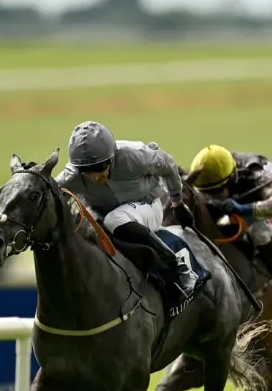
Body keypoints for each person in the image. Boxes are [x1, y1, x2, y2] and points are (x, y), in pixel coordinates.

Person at [56, 121, 197, 296]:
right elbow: (47, 191)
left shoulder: (134, 156)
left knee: (114, 219)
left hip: (147, 207)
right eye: (86, 170)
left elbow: (167, 164)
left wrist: (177, 203)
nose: (94, 176)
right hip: (101, 216)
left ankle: (178, 267)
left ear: (111, 157)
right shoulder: (71, 175)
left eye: (99, 167)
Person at [187, 145, 272, 311]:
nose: (212, 197)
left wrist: (243, 209)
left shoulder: (257, 170)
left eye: (217, 191)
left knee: (258, 233)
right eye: (208, 192)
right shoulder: (203, 177)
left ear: (233, 177)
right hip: (245, 209)